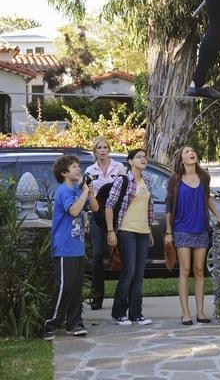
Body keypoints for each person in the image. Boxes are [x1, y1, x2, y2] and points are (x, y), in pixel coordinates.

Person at [165, 145, 220, 325]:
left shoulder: (204, 177)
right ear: (181, 160)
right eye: (187, 152)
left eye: (193, 151)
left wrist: (219, 217)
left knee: (199, 270)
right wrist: (168, 231)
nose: (191, 153)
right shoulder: (175, 179)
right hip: (181, 228)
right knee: (185, 269)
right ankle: (185, 313)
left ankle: (200, 312)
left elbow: (208, 200)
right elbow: (169, 206)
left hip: (200, 228)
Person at [43, 154, 98, 340]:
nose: (78, 169)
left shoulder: (76, 191)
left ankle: (74, 323)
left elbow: (96, 208)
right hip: (64, 248)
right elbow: (74, 211)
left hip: (77, 248)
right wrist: (83, 192)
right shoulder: (64, 191)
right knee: (65, 286)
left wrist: (89, 191)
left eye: (78, 166)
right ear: (64, 172)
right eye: (74, 167)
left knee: (75, 288)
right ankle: (50, 324)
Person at [105, 148, 154, 326]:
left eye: (144, 157)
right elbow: (109, 206)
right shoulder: (123, 180)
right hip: (126, 231)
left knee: (139, 274)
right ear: (130, 161)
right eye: (139, 157)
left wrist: (148, 230)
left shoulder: (147, 181)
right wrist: (111, 231)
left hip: (142, 232)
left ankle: (136, 313)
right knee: (129, 272)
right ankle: (119, 313)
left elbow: (149, 209)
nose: (143, 159)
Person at [85, 136, 126, 310]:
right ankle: (97, 297)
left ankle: (124, 296)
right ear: (95, 151)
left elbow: (125, 189)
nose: (102, 150)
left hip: (116, 216)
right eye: (98, 148)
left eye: (105, 147)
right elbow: (88, 193)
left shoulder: (119, 167)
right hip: (97, 216)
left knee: (122, 254)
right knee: (97, 256)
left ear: (109, 149)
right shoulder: (90, 169)